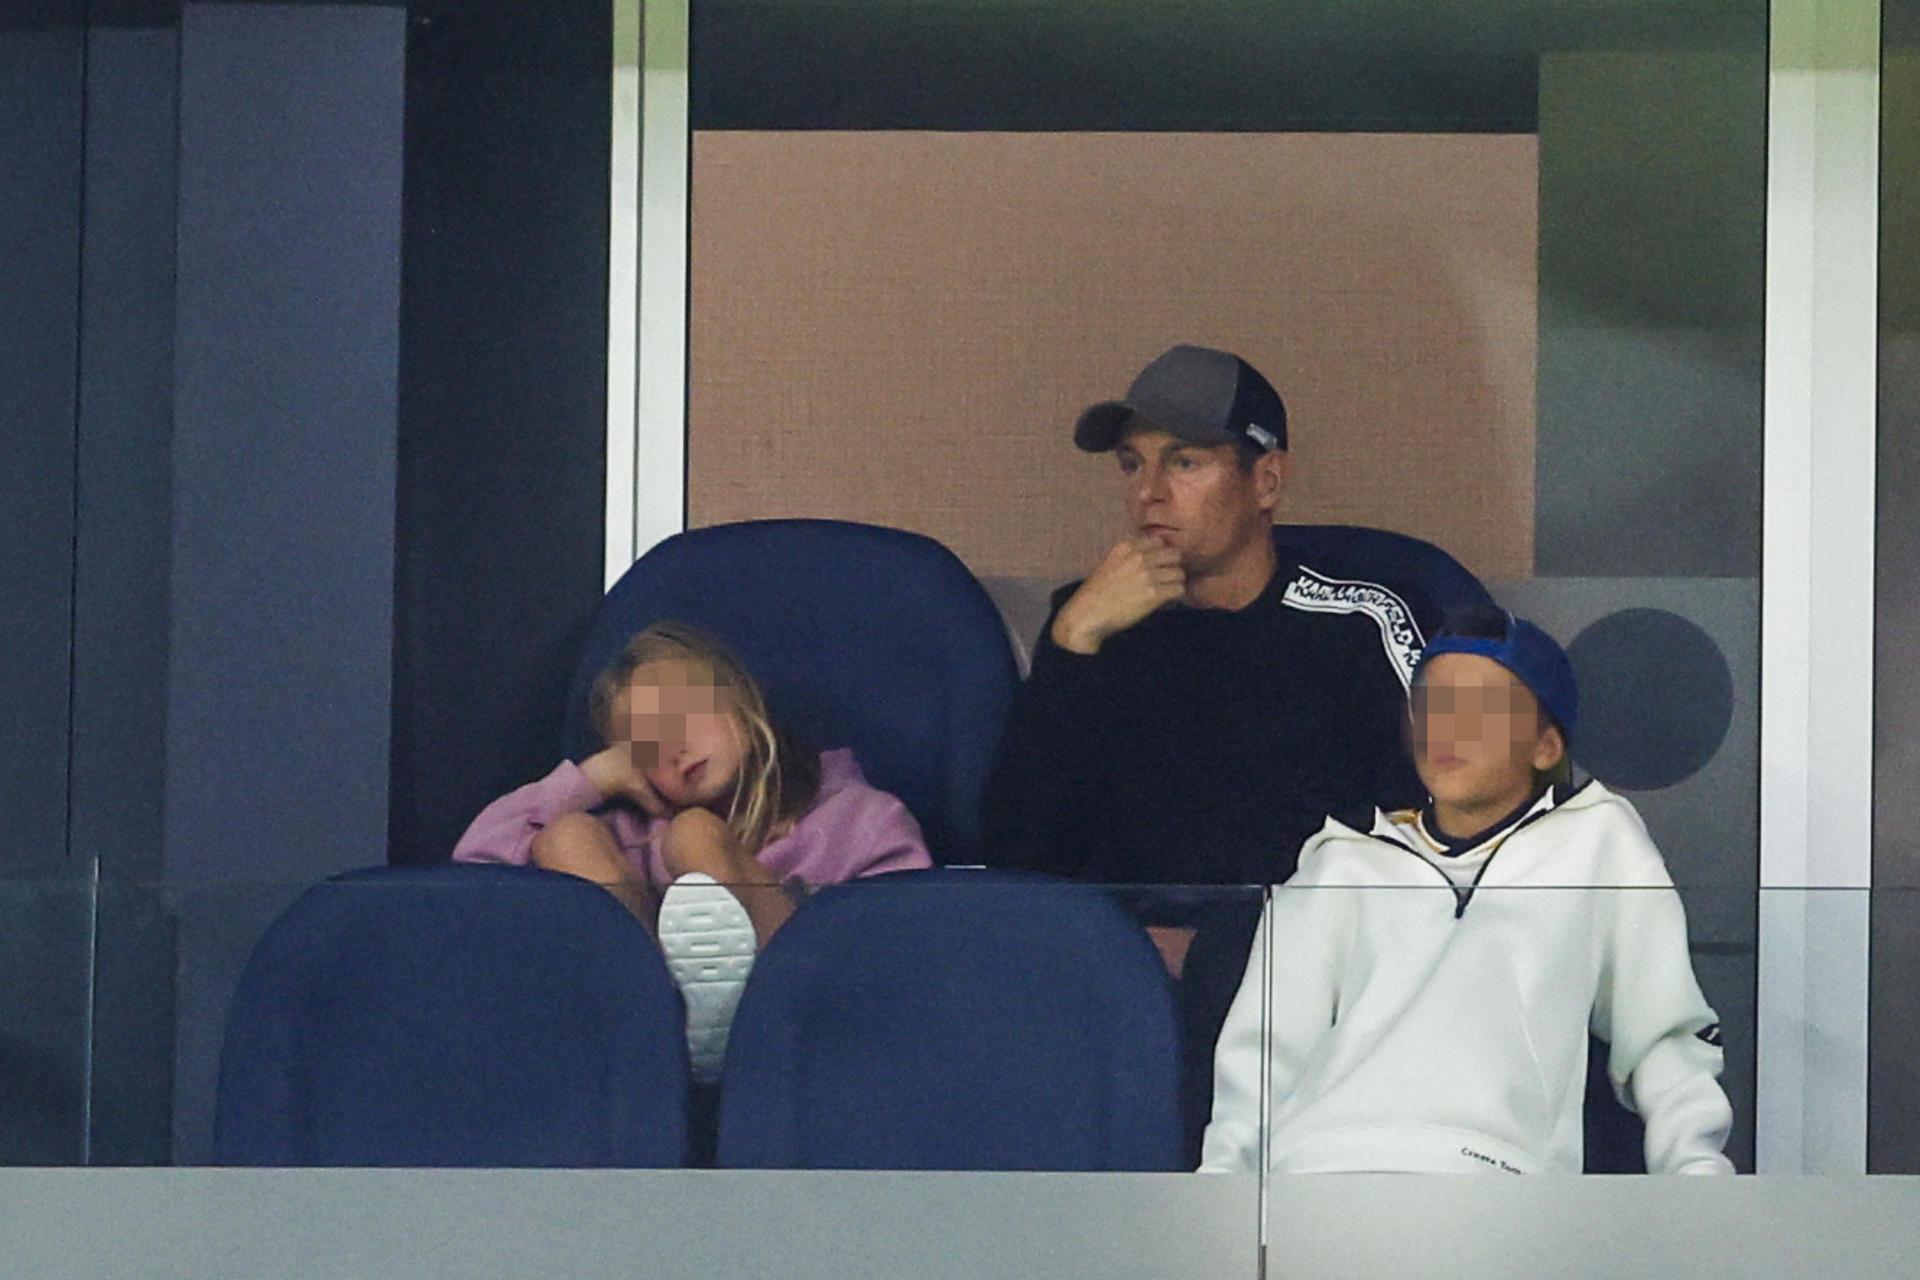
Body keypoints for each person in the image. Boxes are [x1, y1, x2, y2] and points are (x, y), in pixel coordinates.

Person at [981, 343, 1436, 1159]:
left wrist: (1246, 947)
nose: (1148, 494)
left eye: (1185, 462)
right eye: (1131, 465)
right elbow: (1022, 857)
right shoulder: (1088, 622)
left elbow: (1439, 837)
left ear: (1266, 482)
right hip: (1120, 988)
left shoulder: (1361, 620)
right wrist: (1075, 642)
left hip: (1319, 987)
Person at [1200, 607, 1734, 1175]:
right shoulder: (1343, 857)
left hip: (1493, 1179)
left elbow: (1663, 1036)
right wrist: (1223, 1197)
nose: (1447, 727)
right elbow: (1262, 1056)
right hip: (1312, 1171)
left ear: (1546, 746)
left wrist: (1694, 1176)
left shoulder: (1600, 838)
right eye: (1432, 705)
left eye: (1481, 707)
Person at [453, 621, 931, 1081]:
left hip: (812, 1030)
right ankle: (657, 1009)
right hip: (647, 1056)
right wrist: (593, 778)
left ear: (740, 698)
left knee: (695, 835)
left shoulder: (859, 818)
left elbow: (905, 952)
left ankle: (736, 1006)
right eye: (646, 746)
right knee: (566, 836)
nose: (675, 747)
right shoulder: (631, 838)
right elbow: (474, 867)